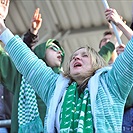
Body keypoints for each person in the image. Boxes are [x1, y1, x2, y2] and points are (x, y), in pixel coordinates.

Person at [0, 1, 132, 132]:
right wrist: (1, 23)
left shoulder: (111, 84)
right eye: (73, 56)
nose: (77, 57)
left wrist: (119, 24)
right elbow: (25, 58)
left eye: (85, 55)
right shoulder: (55, 88)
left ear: (97, 65)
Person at [0, 6, 65, 133]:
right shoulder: (21, 77)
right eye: (54, 48)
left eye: (61, 51)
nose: (60, 53)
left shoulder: (67, 81)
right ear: (40, 51)